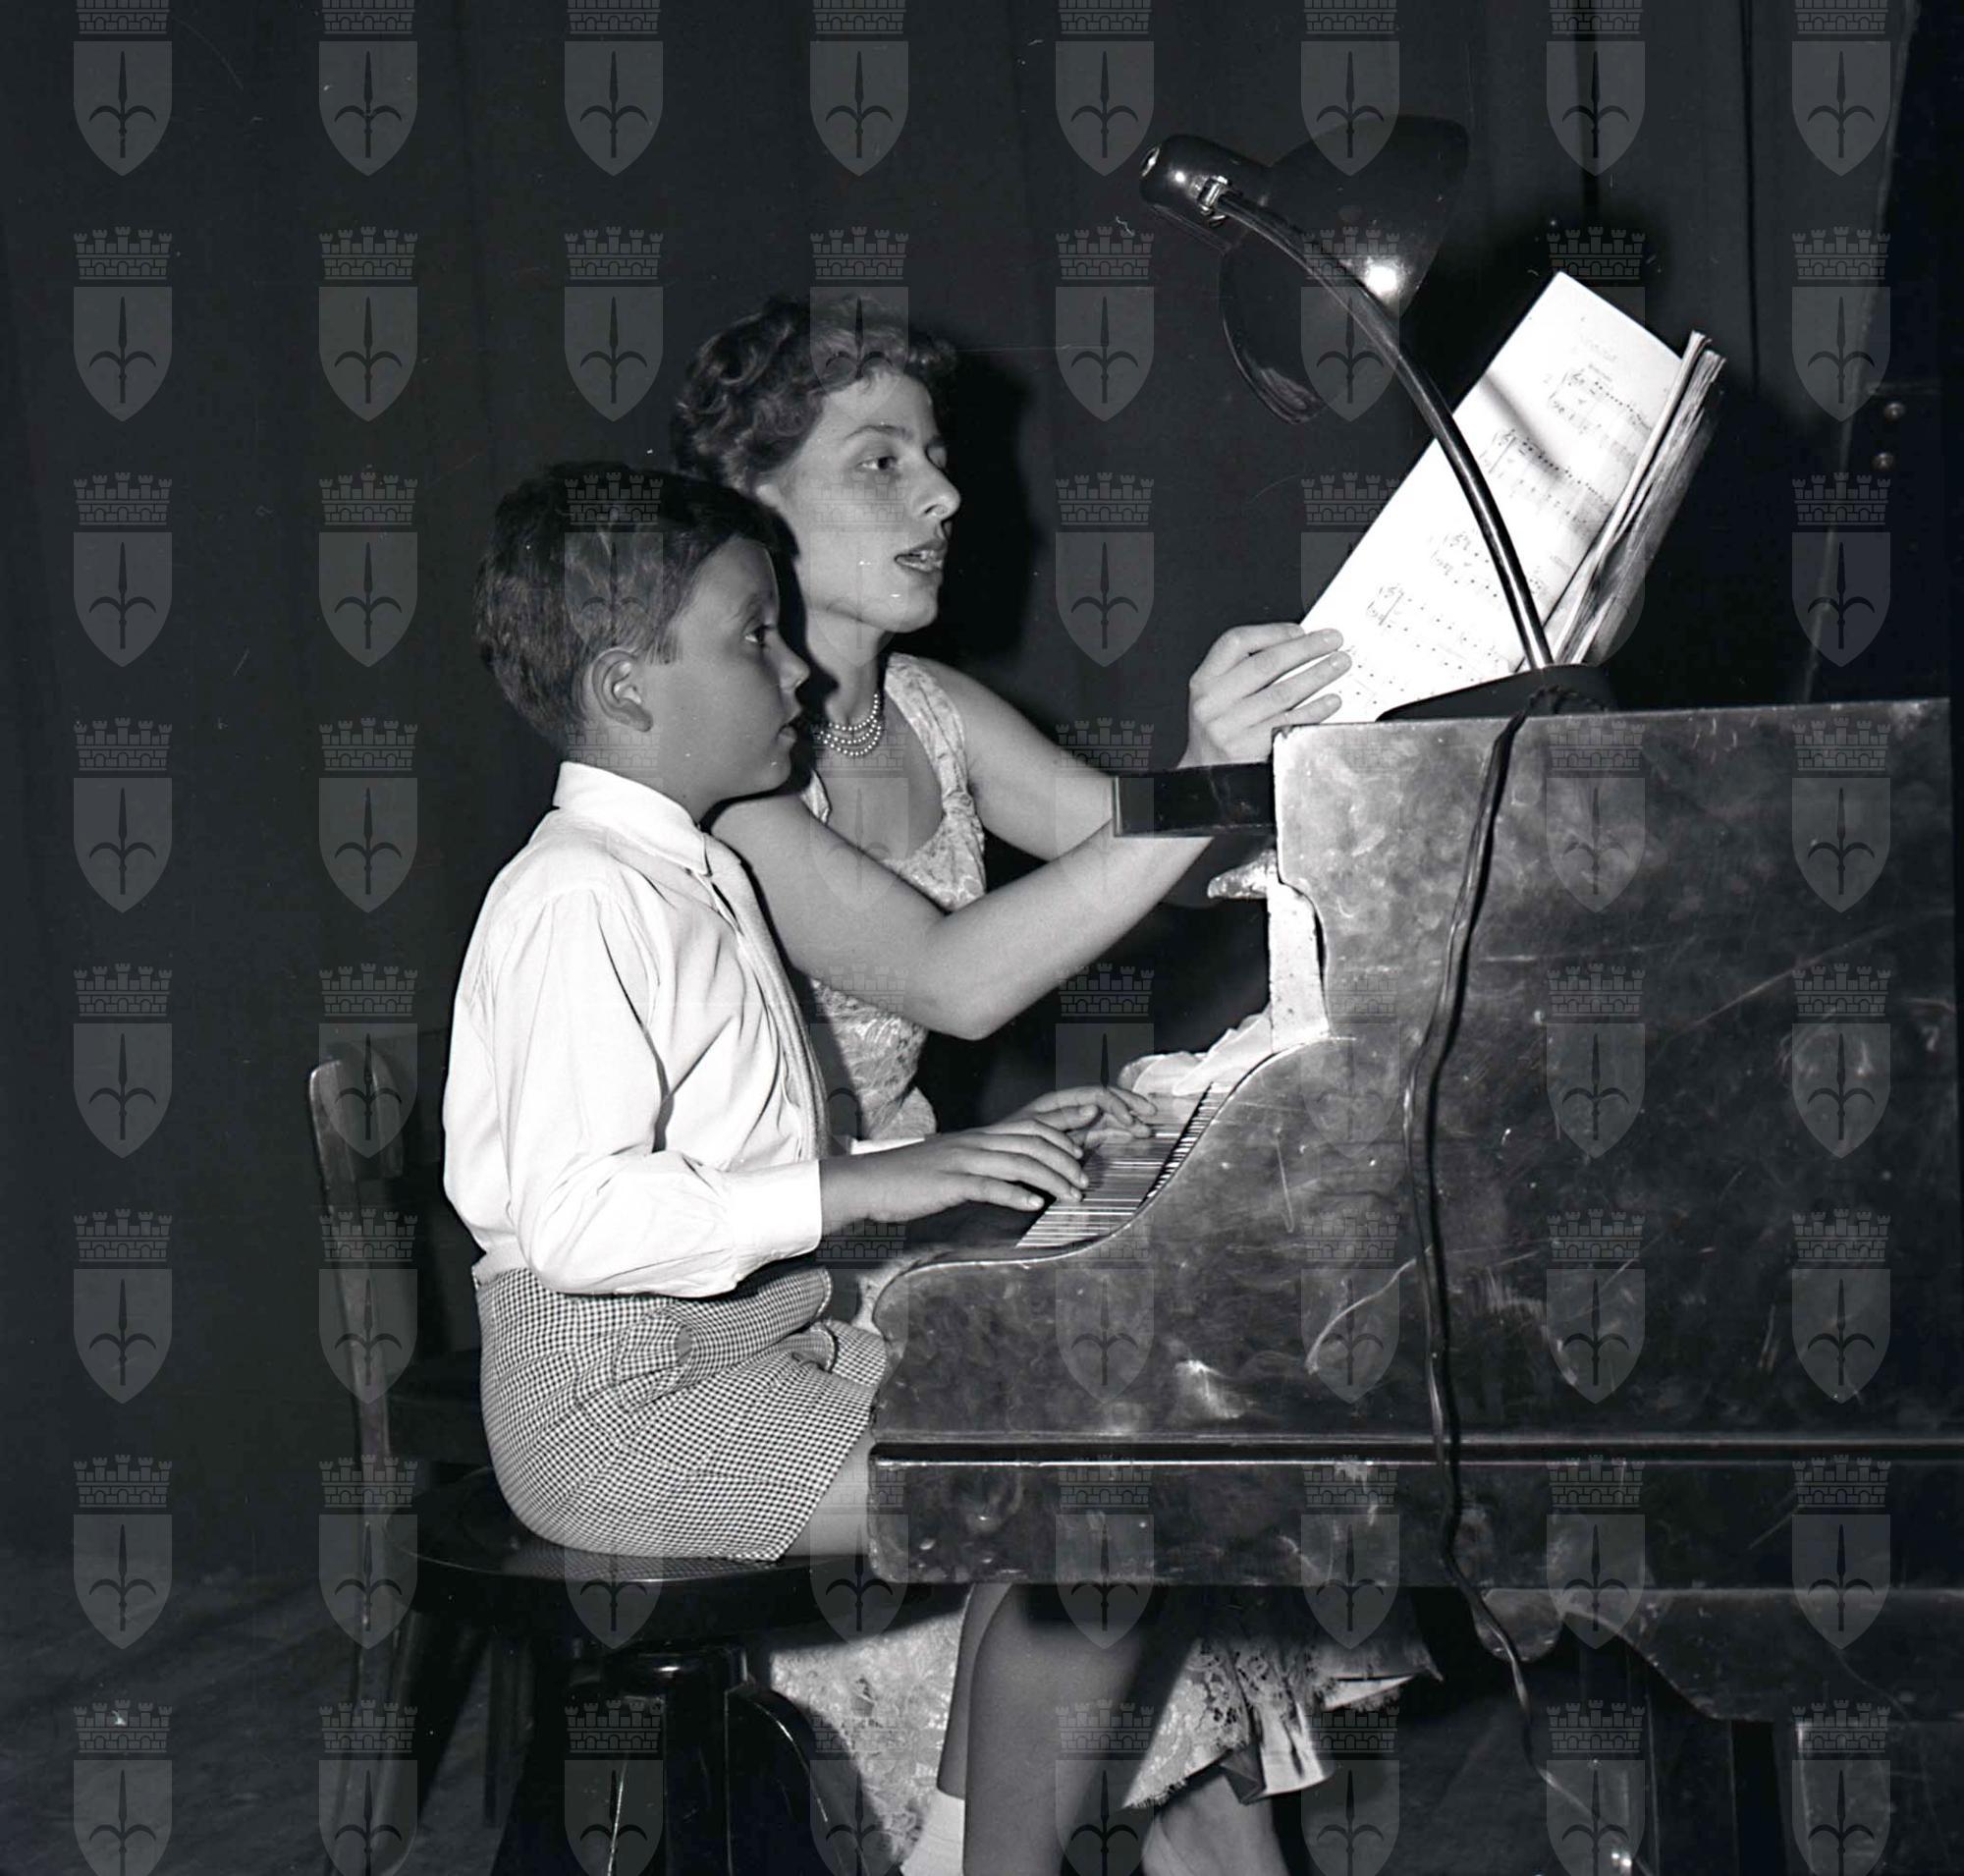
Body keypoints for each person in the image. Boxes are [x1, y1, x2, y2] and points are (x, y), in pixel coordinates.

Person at [670, 303, 1426, 1876]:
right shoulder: (729, 775)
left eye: (937, 458)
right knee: (1147, 1429)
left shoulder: (929, 711)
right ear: (750, 505)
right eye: (879, 463)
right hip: (781, 1281)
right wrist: (1197, 789)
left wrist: (1308, 753)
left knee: (1188, 1380)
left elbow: (1150, 849)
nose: (944, 494)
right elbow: (953, 976)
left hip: (929, 1223)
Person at [444, 463, 1113, 1562]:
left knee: (1095, 1425)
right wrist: (864, 1183)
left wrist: (963, 1157)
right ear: (626, 690)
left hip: (747, 1345)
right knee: (1067, 1502)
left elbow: (737, 1161)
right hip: (617, 1407)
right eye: (755, 636)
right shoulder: (578, 894)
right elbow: (576, 1224)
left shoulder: (693, 870)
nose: (797, 665)